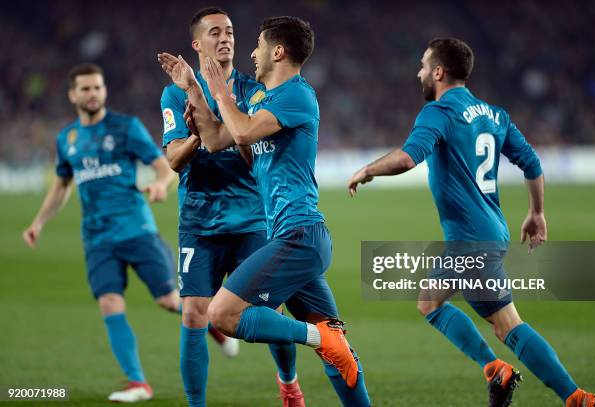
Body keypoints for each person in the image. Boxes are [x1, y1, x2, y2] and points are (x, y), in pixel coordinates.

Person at [348, 38, 595, 407]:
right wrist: (537, 212)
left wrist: (368, 169)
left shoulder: (439, 113)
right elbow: (532, 163)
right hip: (490, 234)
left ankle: (573, 396)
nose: (419, 72)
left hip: (470, 240)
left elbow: (408, 158)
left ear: (438, 72)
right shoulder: (494, 114)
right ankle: (502, 372)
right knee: (439, 304)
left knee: (503, 323)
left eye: (423, 65)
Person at [159, 15, 372, 407]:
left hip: (298, 234)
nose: (248, 51)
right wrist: (193, 88)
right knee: (337, 346)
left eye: (252, 42)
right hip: (285, 235)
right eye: (218, 34)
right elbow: (220, 138)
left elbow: (238, 133)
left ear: (277, 51)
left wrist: (220, 91)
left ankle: (311, 350)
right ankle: (329, 348)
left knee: (222, 314)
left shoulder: (295, 95)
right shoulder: (264, 100)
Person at [159, 8, 304, 407]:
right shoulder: (174, 93)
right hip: (199, 222)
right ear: (197, 44)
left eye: (230, 32)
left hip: (251, 217)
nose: (226, 39)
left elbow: (249, 154)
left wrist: (210, 124)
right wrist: (194, 137)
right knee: (193, 315)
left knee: (268, 308)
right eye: (215, 33)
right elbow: (174, 159)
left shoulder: (253, 89)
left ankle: (289, 383)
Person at [23, 63, 178, 403]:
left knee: (169, 301)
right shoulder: (68, 139)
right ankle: (138, 383)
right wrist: (38, 222)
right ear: (73, 95)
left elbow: (163, 164)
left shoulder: (126, 128)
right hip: (97, 238)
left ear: (104, 90)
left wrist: (160, 185)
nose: (93, 94)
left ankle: (213, 324)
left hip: (136, 229)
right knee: (110, 303)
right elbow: (62, 185)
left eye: (98, 87)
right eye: (86, 88)